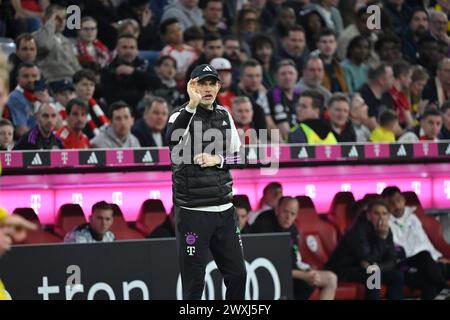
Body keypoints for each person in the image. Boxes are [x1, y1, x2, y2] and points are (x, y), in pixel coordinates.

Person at [165, 63, 246, 300]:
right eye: (202, 83)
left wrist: (217, 158)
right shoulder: (180, 115)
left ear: (219, 86)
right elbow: (172, 140)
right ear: (192, 86)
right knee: (194, 284)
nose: (208, 88)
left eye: (212, 83)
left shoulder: (224, 114)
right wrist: (191, 105)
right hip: (193, 213)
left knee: (238, 275)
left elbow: (239, 156)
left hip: (224, 211)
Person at [251, 196, 337, 300]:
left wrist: (307, 270)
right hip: (266, 274)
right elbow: (273, 264)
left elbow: (294, 259)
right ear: (277, 209)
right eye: (285, 212)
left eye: (293, 214)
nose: (288, 217)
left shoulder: (292, 230)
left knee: (331, 278)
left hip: (291, 273)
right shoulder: (264, 223)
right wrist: (304, 275)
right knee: (306, 282)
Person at [326, 199, 405, 300]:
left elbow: (392, 259)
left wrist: (378, 267)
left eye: (384, 214)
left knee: (397, 276)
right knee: (373, 276)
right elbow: (367, 258)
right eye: (377, 213)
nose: (381, 217)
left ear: (388, 216)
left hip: (369, 269)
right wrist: (381, 238)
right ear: (368, 215)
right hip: (346, 270)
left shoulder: (385, 230)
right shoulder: (358, 230)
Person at [381, 186, 450, 299]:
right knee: (424, 257)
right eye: (391, 203)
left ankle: (441, 288)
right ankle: (444, 287)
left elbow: (425, 242)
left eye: (398, 200)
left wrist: (438, 257)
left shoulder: (413, 217)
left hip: (429, 262)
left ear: (403, 200)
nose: (396, 206)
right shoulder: (385, 222)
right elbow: (399, 250)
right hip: (406, 263)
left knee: (429, 280)